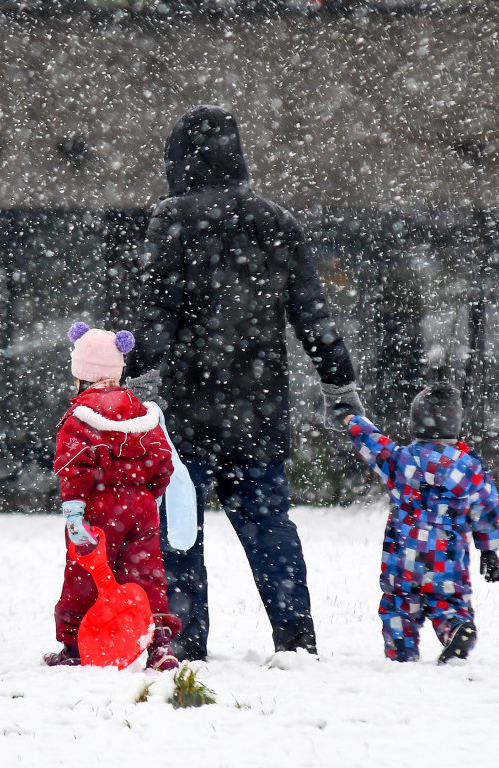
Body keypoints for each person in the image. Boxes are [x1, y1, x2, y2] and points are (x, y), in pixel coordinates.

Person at [122, 105, 365, 661]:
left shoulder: (173, 219)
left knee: (179, 528)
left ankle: (185, 639)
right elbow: (313, 315)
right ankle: (295, 637)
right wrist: (340, 385)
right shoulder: (278, 222)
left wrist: (126, 369)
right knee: (268, 524)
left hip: (188, 409)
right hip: (258, 408)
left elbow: (158, 317)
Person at [44, 322, 183, 671]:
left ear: (82, 374)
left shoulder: (80, 417)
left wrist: (74, 511)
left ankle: (76, 644)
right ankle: (158, 644)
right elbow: (162, 461)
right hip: (141, 508)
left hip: (98, 507)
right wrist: (148, 495)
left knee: (86, 576)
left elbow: (74, 465)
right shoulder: (141, 412)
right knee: (146, 574)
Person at [340, 380, 499, 663]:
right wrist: (489, 549)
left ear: (416, 420)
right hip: (447, 560)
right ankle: (455, 628)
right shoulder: (470, 468)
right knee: (449, 603)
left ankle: (400, 652)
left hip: (403, 559)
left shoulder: (402, 460)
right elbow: (486, 508)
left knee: (398, 607)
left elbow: (372, 442)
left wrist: (351, 419)